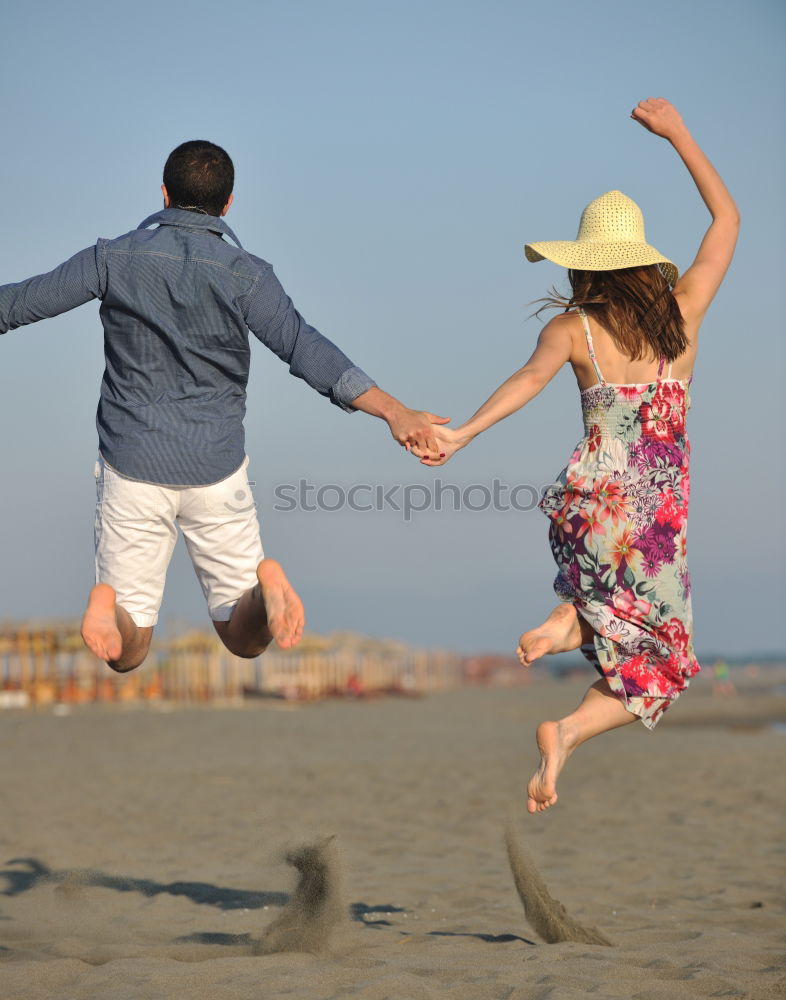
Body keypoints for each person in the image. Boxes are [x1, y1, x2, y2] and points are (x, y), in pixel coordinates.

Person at [0, 140, 448, 672]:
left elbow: (19, 304)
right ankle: (266, 591)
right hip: (216, 470)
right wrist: (396, 412)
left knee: (128, 648)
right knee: (245, 638)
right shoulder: (247, 273)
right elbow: (305, 348)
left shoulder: (112, 257)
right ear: (229, 203)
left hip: (133, 465)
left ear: (164, 193)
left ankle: (107, 604)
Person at [417, 98, 739, 813]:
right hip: (654, 516)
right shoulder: (683, 315)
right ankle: (569, 670)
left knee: (614, 617)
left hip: (591, 502)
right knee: (666, 668)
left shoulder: (574, 329)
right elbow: (727, 223)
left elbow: (526, 383)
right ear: (644, 261)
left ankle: (571, 639)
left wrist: (464, 433)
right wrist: (681, 133)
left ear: (586, 266)